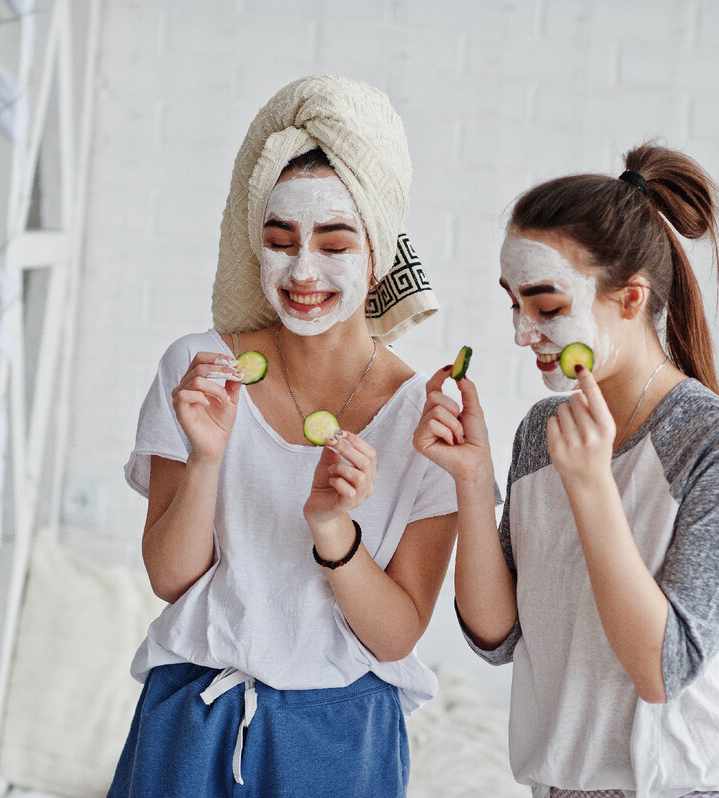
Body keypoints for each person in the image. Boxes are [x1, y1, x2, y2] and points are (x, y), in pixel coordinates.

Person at [107, 75, 457, 798]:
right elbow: (170, 578)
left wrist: (333, 527)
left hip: (341, 740)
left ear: (379, 253)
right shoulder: (200, 370)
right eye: (278, 241)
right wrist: (207, 458)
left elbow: (395, 636)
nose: (302, 271)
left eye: (334, 243)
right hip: (192, 720)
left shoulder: (425, 416)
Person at [414, 143, 719, 798]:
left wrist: (591, 488)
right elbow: (495, 638)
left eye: (548, 307)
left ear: (631, 298)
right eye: (513, 304)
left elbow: (660, 671)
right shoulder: (541, 432)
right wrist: (472, 481)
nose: (523, 334)